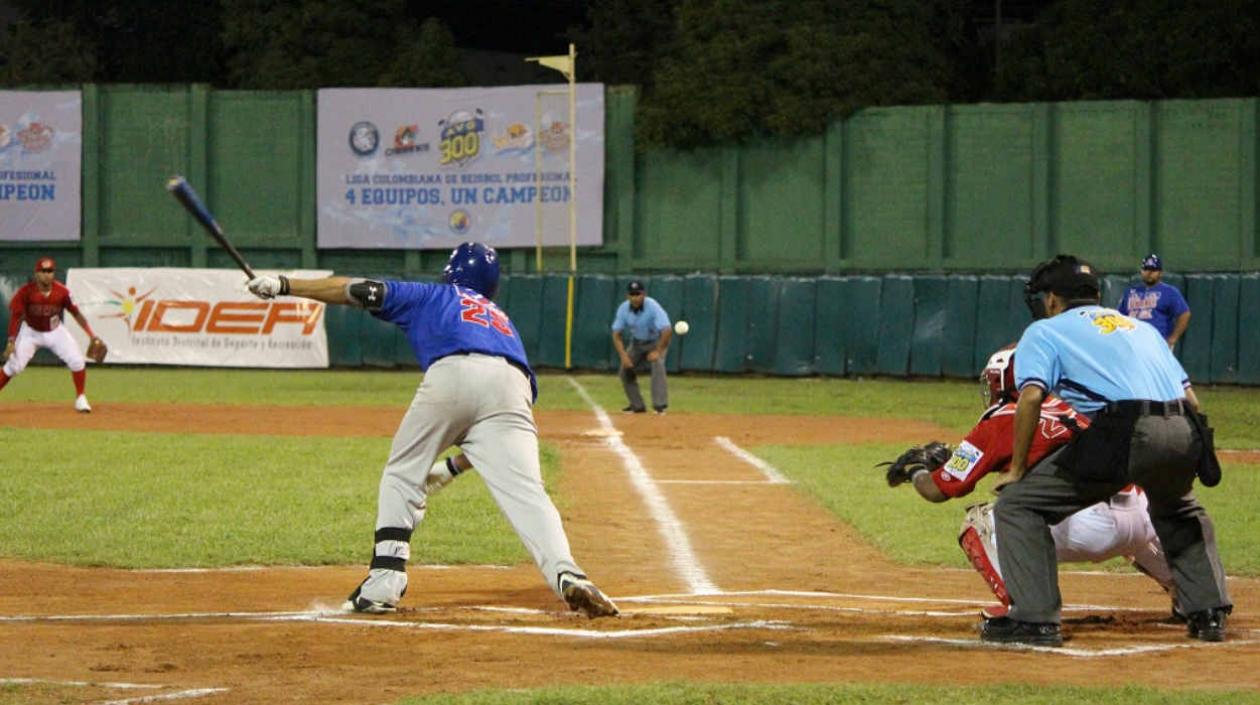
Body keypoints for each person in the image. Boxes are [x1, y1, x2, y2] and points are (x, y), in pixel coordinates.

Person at [245, 242, 618, 618]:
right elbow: (494, 429)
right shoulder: (501, 319)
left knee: (402, 473)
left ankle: (384, 582)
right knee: (528, 494)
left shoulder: (434, 294)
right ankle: (569, 574)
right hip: (514, 384)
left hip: (454, 370)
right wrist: (453, 468)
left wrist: (283, 285)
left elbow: (356, 290)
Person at [985, 254, 1230, 647]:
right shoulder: (1142, 328)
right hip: (1185, 427)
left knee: (1018, 506)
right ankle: (1208, 614)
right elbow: (1191, 398)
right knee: (1179, 508)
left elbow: (1031, 397)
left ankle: (1036, 620)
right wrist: (1199, 446)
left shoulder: (1045, 331)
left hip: (1125, 430)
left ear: (1051, 300)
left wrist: (1016, 468)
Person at [883, 345, 1177, 620]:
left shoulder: (1000, 419)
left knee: (980, 520)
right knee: (1127, 501)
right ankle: (1187, 593)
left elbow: (937, 491)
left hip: (1090, 530)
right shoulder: (1065, 407)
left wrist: (916, 469)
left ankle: (1024, 608)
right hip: (1142, 520)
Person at [1, 256, 103, 412]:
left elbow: (76, 314)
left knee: (77, 360)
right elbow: (16, 316)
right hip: (31, 332)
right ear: (36, 274)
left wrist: (91, 335)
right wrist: (11, 340)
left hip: (55, 332)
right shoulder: (26, 292)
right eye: (43, 271)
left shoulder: (62, 292)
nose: (47, 274)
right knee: (13, 366)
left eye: (50, 271)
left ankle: (81, 398)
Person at [611, 280, 671, 414]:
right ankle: (637, 406)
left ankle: (660, 405)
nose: (635, 297)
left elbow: (666, 330)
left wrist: (658, 351)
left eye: (638, 294)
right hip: (637, 343)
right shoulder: (623, 309)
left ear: (643, 294)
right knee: (625, 371)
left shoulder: (653, 306)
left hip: (656, 341)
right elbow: (616, 334)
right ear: (627, 296)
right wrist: (623, 356)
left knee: (658, 364)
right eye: (632, 294)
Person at [1117, 254, 1191, 350]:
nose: (1149, 273)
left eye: (1153, 270)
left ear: (1160, 273)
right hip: (1133, 343)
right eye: (1146, 269)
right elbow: (1120, 316)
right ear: (1141, 271)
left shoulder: (1169, 292)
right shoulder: (1130, 292)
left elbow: (1185, 314)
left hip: (1158, 343)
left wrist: (1173, 339)